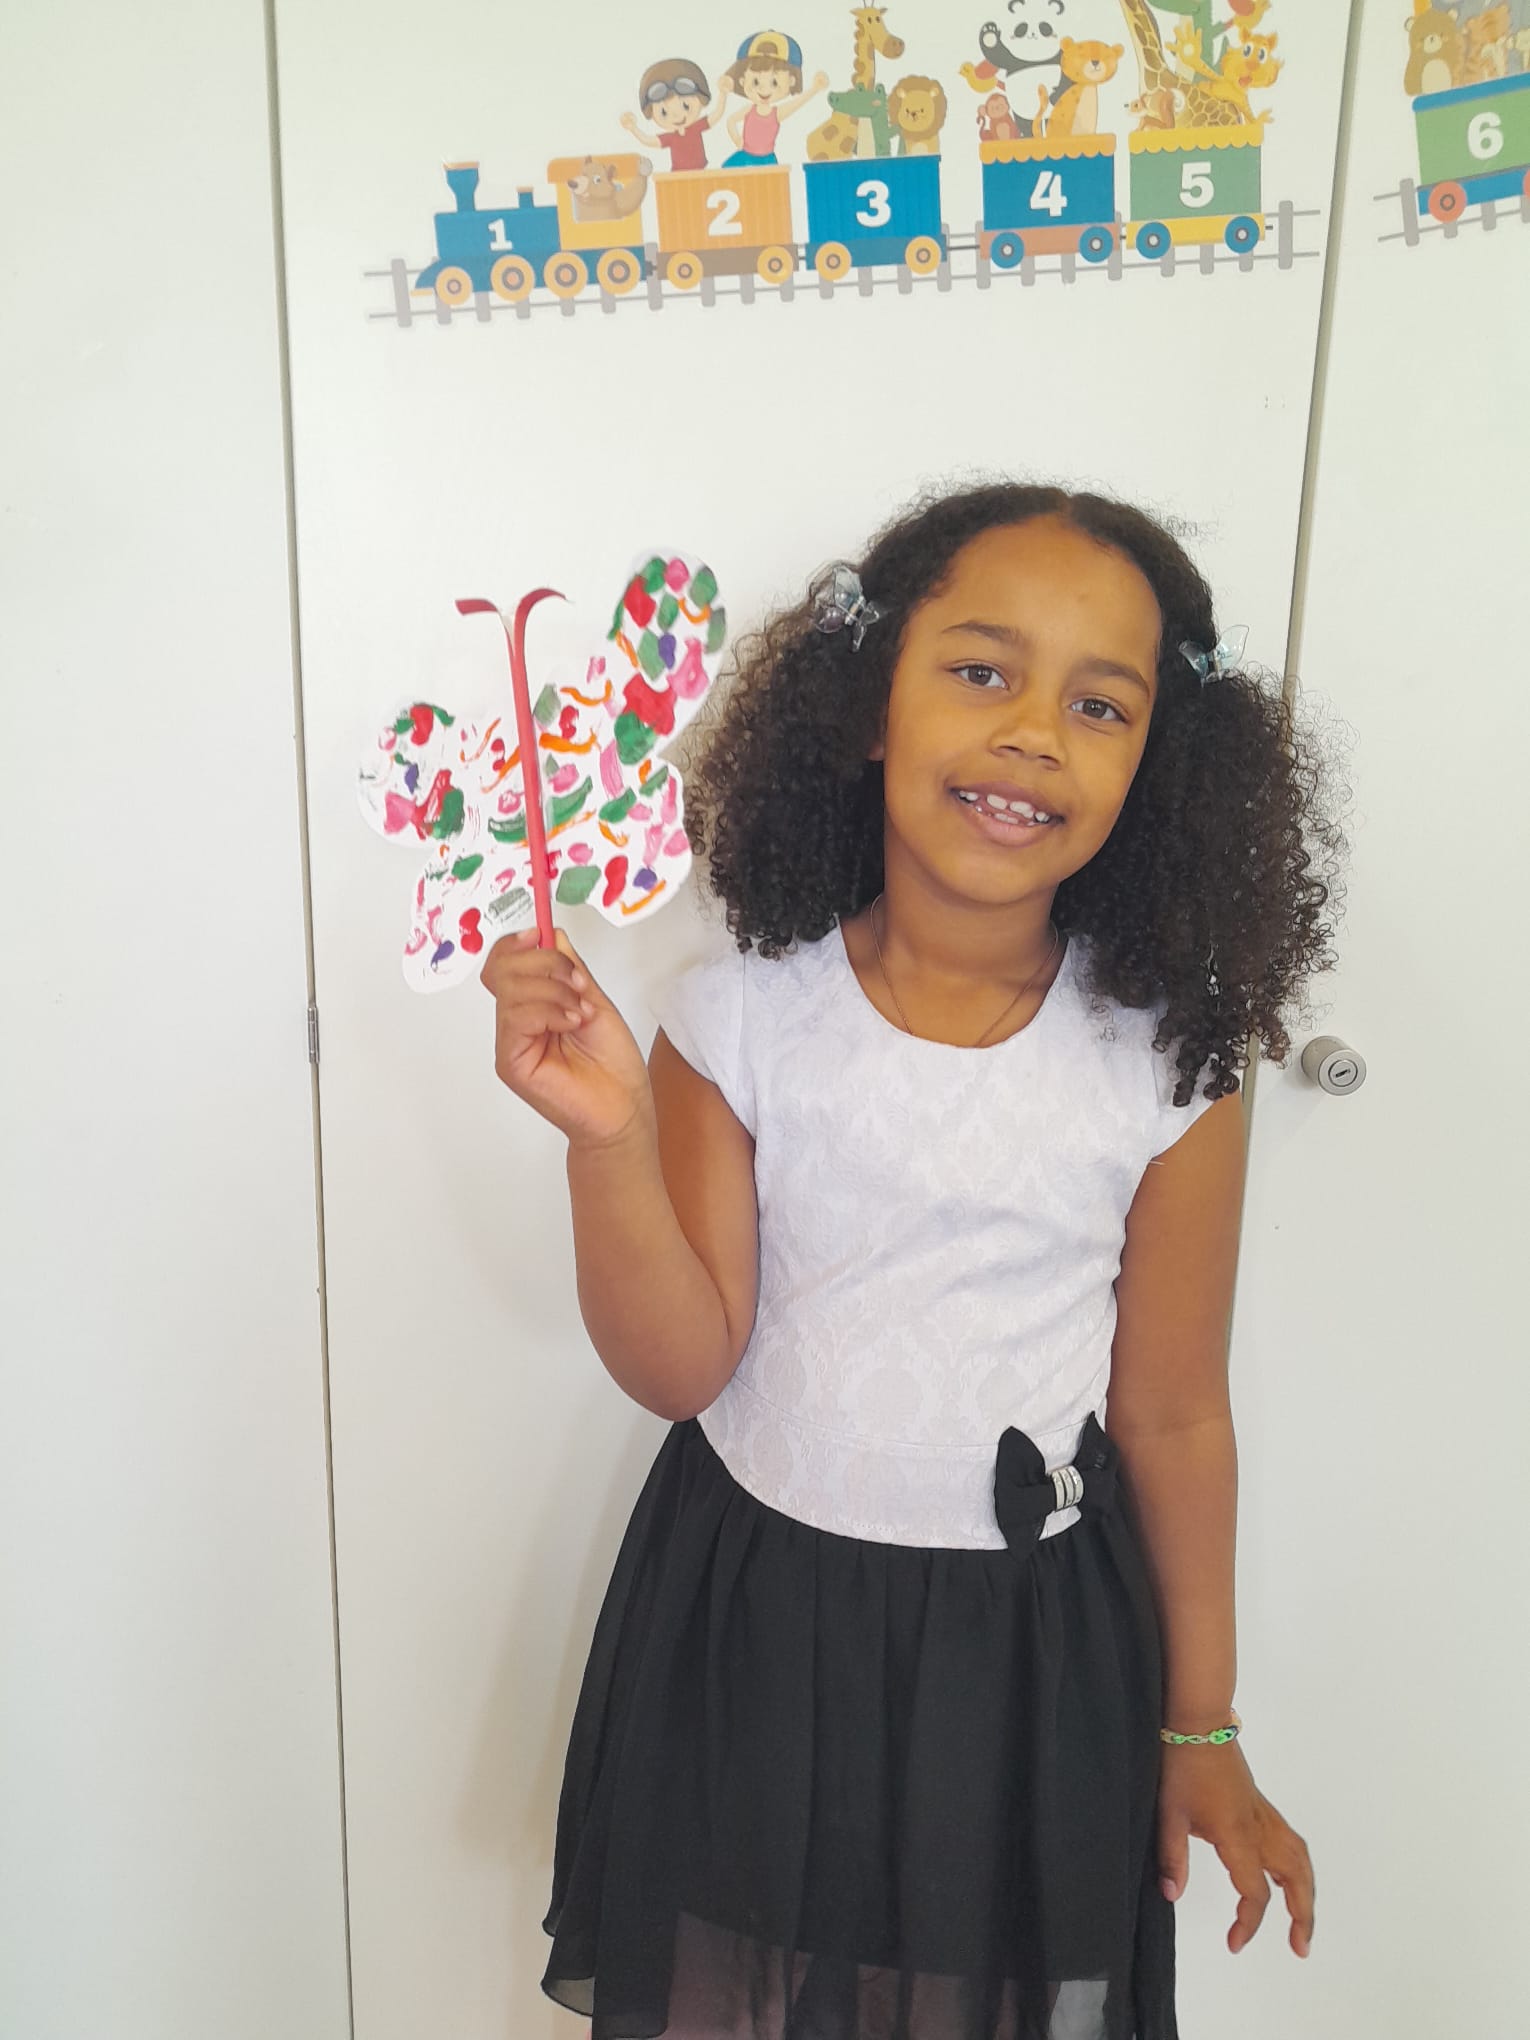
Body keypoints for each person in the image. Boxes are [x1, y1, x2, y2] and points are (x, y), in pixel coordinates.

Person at [481, 482, 1335, 2039]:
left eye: (1098, 704)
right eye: (980, 670)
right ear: (867, 703)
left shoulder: (1167, 1070)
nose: (1031, 734)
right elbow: (678, 1367)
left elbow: (1170, 1415)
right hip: (754, 1622)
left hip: (1025, 1662)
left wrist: (1199, 1725)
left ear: (1156, 767)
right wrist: (606, 1139)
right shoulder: (737, 1019)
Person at [717, 29, 829, 167]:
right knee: (726, 169)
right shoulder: (749, 110)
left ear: (791, 81)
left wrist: (815, 89)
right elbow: (731, 120)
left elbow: (796, 103)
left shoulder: (777, 113)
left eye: (774, 83)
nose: (764, 90)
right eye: (756, 82)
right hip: (745, 155)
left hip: (767, 159)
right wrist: (736, 139)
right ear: (742, 81)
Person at [620, 58, 728, 174]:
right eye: (664, 112)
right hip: (677, 176)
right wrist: (633, 128)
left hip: (700, 173)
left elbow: (717, 114)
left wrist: (723, 93)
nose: (677, 116)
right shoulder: (671, 138)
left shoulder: (696, 127)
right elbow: (648, 140)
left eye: (686, 106)